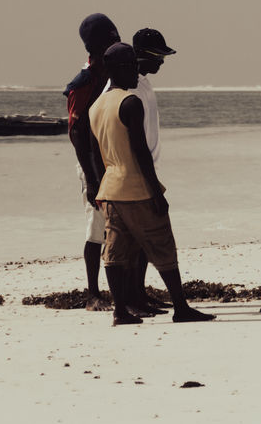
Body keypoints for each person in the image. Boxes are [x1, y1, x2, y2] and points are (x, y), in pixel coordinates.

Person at [89, 42, 214, 326]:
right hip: (136, 188)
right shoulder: (130, 102)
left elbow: (96, 155)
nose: (137, 71)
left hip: (110, 190)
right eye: (132, 66)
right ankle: (181, 307)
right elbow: (140, 152)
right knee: (162, 246)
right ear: (119, 69)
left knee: (115, 252)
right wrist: (156, 191)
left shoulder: (96, 106)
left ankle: (120, 312)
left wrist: (99, 189)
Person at [107, 28, 177, 314]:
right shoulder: (128, 88)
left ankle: (139, 294)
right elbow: (130, 140)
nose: (161, 62)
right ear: (142, 56)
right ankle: (131, 300)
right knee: (136, 242)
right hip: (134, 174)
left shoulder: (143, 83)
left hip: (148, 170)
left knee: (140, 243)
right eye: (158, 57)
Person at [63, 13, 121, 310]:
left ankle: (120, 290)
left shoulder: (105, 76)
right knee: (96, 228)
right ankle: (92, 294)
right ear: (95, 51)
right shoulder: (83, 83)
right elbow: (75, 133)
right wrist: (91, 177)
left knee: (115, 226)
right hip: (91, 164)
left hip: (110, 160)